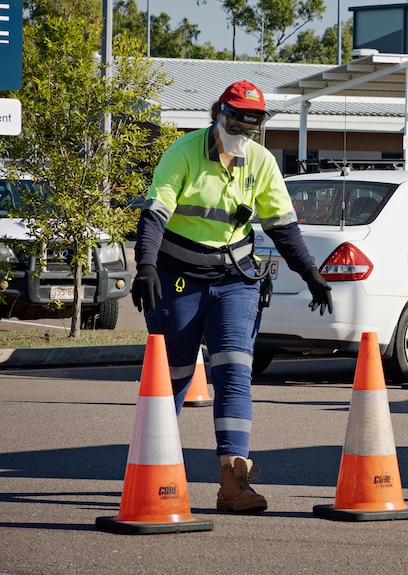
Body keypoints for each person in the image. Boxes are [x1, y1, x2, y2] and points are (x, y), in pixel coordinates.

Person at [131, 80, 333, 514]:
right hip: (178, 279)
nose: (244, 128)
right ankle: (151, 471)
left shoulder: (259, 162)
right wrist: (145, 265)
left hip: (235, 280)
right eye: (237, 117)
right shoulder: (182, 152)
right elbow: (155, 213)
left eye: (253, 121)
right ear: (218, 114)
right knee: (174, 377)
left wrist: (311, 273)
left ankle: (234, 480)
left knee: (235, 372)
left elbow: (283, 228)